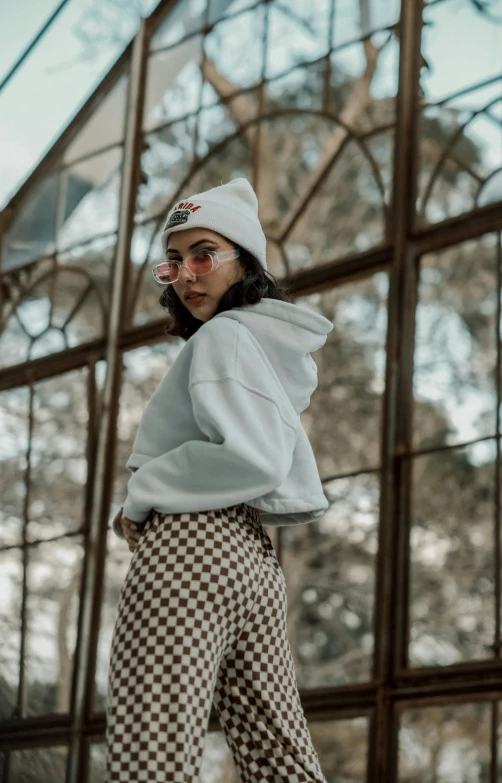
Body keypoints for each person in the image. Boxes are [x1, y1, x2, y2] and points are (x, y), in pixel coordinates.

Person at [106, 178, 334, 782]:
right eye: (174, 262)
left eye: (205, 254)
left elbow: (253, 458)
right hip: (251, 563)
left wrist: (144, 493)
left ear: (245, 263)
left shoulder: (222, 339)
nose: (187, 274)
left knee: (151, 751)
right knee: (281, 760)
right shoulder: (260, 347)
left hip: (188, 548)